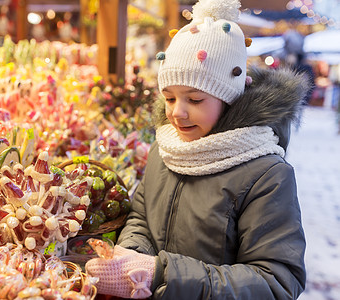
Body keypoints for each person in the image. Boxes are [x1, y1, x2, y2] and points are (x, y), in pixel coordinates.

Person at [85, 0, 308, 299]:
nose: (177, 113)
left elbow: (276, 282)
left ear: (228, 97)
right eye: (170, 97)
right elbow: (141, 217)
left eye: (195, 99)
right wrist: (133, 259)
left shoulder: (267, 175)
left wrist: (161, 274)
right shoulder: (165, 148)